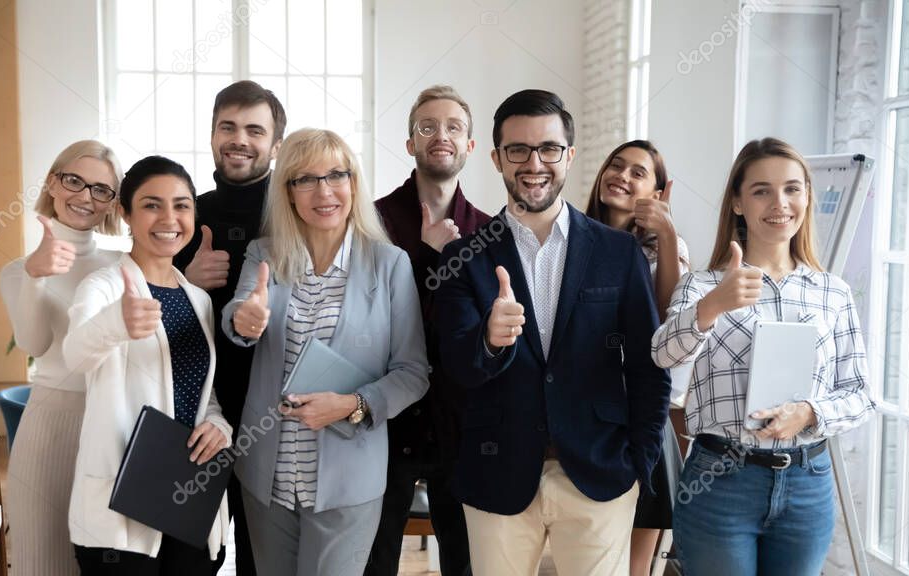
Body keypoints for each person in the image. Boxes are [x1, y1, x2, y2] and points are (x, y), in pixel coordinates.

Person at [434, 89, 671, 576]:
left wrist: (638, 464)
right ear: (497, 157)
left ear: (570, 155)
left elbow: (649, 367)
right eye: (517, 150)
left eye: (548, 149)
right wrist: (488, 341)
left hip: (600, 472)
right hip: (496, 472)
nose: (533, 163)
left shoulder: (617, 252)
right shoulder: (463, 257)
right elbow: (451, 369)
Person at [652, 137, 875, 576]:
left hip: (808, 484)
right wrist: (713, 305)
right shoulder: (702, 287)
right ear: (738, 202)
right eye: (761, 190)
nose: (780, 202)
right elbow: (663, 355)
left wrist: (810, 411)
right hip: (720, 482)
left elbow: (861, 394)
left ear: (808, 197)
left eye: (793, 188)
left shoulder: (833, 292)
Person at [221, 128, 429, 576]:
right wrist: (244, 320)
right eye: (305, 179)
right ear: (288, 192)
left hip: (348, 478)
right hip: (267, 476)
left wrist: (352, 406)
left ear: (354, 183)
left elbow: (413, 373)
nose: (324, 191)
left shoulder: (389, 264)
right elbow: (241, 313)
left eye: (337, 175)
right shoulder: (264, 254)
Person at [63, 156, 232, 575]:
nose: (169, 218)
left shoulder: (199, 299)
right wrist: (116, 323)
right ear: (126, 214)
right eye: (152, 205)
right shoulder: (103, 286)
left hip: (188, 490)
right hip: (123, 498)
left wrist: (219, 424)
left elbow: (200, 387)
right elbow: (76, 355)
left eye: (182, 205)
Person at [366, 85, 488, 576]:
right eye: (428, 127)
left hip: (460, 421)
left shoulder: (486, 230)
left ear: (470, 147)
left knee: (465, 561)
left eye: (454, 128)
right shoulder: (371, 221)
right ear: (410, 142)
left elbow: (480, 329)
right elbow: (366, 316)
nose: (442, 136)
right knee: (374, 562)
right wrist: (428, 257)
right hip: (383, 420)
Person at [173, 80, 286, 575]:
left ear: (276, 146)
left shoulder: (299, 214)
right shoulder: (183, 216)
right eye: (228, 127)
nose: (239, 138)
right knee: (193, 557)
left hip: (276, 415)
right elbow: (147, 312)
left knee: (264, 561)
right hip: (196, 414)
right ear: (212, 134)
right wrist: (185, 281)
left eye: (254, 130)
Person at [0, 140, 123, 576]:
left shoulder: (124, 265)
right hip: (50, 428)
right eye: (74, 180)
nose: (85, 196)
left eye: (101, 190)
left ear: (112, 203)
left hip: (115, 429)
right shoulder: (18, 269)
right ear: (52, 182)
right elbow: (33, 344)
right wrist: (36, 276)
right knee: (43, 563)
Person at [585, 140, 690, 576]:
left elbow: (669, 319)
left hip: (641, 410)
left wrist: (665, 233)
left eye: (638, 172)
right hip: (586, 409)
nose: (622, 177)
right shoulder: (572, 234)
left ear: (659, 191)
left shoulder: (664, 244)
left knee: (634, 566)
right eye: (616, 165)